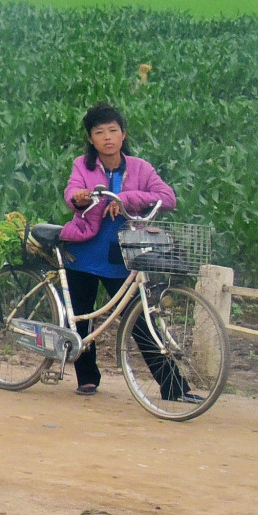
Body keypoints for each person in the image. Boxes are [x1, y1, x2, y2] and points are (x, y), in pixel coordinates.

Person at [59, 103, 190, 400]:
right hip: (83, 251)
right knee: (81, 316)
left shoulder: (140, 168)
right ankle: (87, 377)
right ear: (91, 139)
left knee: (141, 321)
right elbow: (72, 193)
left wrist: (126, 198)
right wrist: (79, 198)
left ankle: (173, 386)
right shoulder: (83, 165)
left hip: (121, 255)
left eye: (112, 131)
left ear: (123, 134)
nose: (107, 137)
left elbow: (167, 197)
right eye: (99, 132)